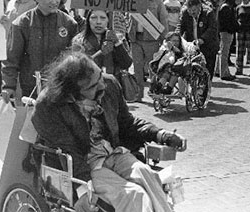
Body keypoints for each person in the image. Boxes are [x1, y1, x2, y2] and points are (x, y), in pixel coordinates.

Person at [32, 51, 186, 212]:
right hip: (84, 163)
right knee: (133, 195)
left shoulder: (110, 84)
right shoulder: (48, 106)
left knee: (147, 174)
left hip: (113, 152)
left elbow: (127, 123)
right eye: (92, 86)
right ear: (72, 94)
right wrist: (83, 191)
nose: (102, 85)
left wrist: (159, 134)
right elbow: (70, 152)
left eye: (99, 76)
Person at [2, 0, 78, 99]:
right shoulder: (22, 23)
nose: (54, 1)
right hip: (30, 88)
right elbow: (12, 58)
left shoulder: (69, 23)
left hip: (59, 88)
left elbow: (75, 58)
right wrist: (8, 86)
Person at [128, 0, 168, 102]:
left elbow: (164, 20)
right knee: (137, 68)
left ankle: (154, 91)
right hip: (135, 38)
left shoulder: (157, 0)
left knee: (153, 68)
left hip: (151, 39)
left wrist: (165, 38)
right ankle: (138, 94)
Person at [71, 10, 132, 78]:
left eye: (103, 18)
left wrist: (117, 44)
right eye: (94, 18)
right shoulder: (79, 40)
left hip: (112, 85)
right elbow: (77, 68)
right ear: (88, 20)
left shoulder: (117, 38)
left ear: (108, 20)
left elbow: (126, 64)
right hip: (89, 84)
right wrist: (100, 53)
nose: (98, 22)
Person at [176, 0, 219, 79]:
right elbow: (180, 26)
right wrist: (176, 36)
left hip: (208, 47)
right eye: (189, 10)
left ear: (199, 6)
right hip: (192, 48)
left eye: (194, 10)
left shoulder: (208, 13)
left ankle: (206, 90)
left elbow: (212, 29)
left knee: (207, 74)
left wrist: (202, 39)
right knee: (190, 72)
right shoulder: (185, 13)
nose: (192, 12)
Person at [217, 0, 238, 81]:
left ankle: (218, 71)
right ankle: (224, 73)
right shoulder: (226, 7)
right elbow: (227, 22)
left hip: (224, 32)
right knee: (224, 53)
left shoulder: (224, 6)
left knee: (222, 52)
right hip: (226, 32)